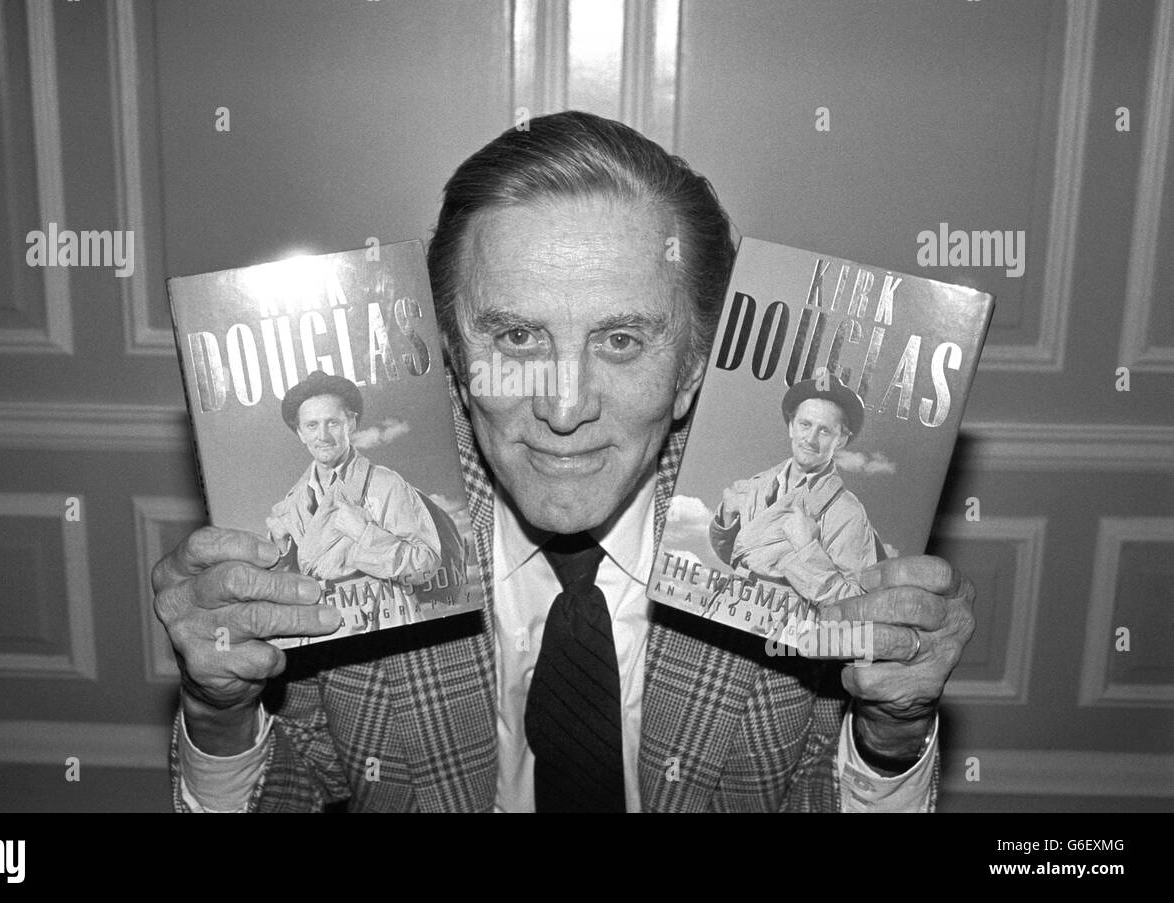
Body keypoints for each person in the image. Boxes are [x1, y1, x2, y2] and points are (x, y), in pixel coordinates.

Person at [152, 110, 976, 812]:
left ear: (693, 368)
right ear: (452, 360)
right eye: (516, 337)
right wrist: (219, 710)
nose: (564, 405)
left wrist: (890, 738)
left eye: (621, 341)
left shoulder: (789, 556)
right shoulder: (356, 553)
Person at [266, 371, 442, 634]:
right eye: (312, 426)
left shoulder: (385, 484)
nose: (323, 435)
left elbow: (426, 565)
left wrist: (365, 534)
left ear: (351, 423)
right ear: (300, 433)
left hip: (384, 615)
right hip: (324, 624)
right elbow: (284, 585)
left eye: (333, 423)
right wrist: (279, 548)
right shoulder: (292, 504)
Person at [708, 374, 878, 612]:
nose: (810, 438)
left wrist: (807, 549)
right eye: (805, 424)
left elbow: (856, 605)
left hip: (780, 631)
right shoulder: (758, 484)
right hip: (724, 606)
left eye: (825, 431)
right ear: (791, 426)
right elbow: (740, 557)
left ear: (841, 440)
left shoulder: (848, 512)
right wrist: (728, 516)